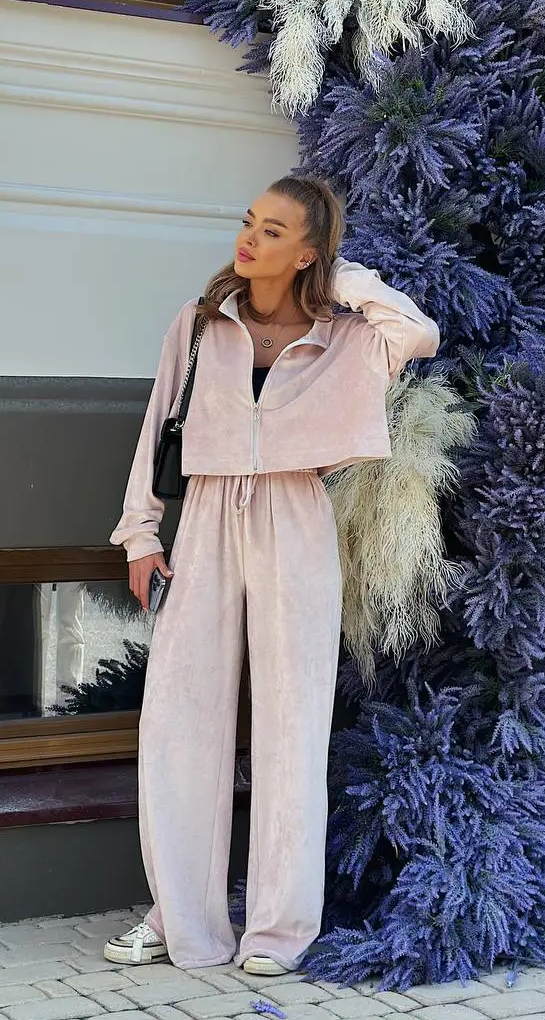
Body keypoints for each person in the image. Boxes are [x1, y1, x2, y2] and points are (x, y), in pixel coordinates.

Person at [104, 175, 439, 975]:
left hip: (295, 517)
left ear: (310, 252)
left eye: (275, 231)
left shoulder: (347, 336)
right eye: (249, 222)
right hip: (206, 518)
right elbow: (157, 428)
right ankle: (178, 918)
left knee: (293, 725)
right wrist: (140, 535)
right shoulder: (198, 323)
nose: (249, 239)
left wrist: (341, 279)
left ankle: (279, 932)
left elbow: (418, 331)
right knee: (180, 720)